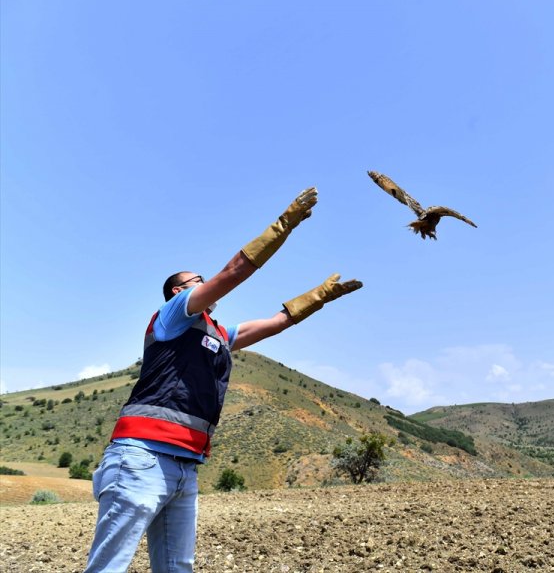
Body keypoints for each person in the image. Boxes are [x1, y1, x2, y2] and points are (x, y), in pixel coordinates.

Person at [84, 187, 362, 572]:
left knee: (178, 567)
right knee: (109, 567)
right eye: (197, 280)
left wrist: (319, 297)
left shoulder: (217, 333)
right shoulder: (173, 314)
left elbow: (274, 324)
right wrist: (285, 225)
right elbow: (233, 272)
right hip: (140, 457)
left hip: (184, 465)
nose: (205, 283)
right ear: (179, 292)